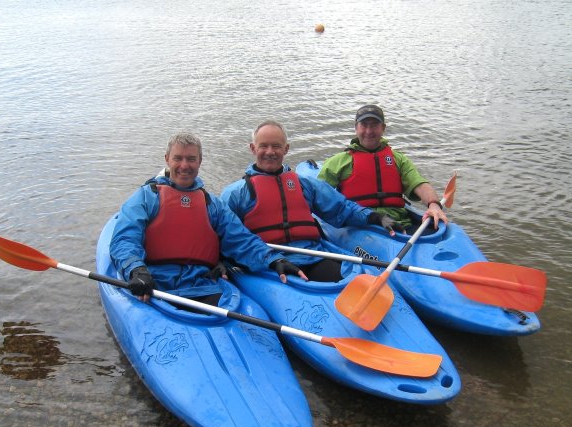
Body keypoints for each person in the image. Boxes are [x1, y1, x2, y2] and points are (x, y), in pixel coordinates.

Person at [110, 132, 306, 305]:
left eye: (191, 159)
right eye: (178, 158)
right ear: (167, 159)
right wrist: (136, 270)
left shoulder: (211, 204)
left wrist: (273, 260)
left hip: (203, 283)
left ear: (200, 161)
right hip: (155, 283)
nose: (184, 166)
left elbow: (241, 240)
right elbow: (125, 239)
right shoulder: (145, 197)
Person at [220, 120, 402, 282]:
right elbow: (228, 238)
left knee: (359, 281)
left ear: (286, 149)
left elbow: (341, 208)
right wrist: (268, 260)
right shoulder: (235, 194)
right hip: (266, 264)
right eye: (263, 146)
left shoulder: (304, 184)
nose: (270, 152)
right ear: (253, 148)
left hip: (311, 256)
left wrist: (374, 217)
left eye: (276, 146)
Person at [317, 104, 448, 232]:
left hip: (399, 223)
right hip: (359, 224)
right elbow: (318, 195)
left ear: (383, 128)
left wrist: (434, 205)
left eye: (374, 125)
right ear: (356, 128)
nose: (369, 131)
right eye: (364, 125)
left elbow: (419, 184)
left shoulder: (398, 159)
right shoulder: (338, 162)